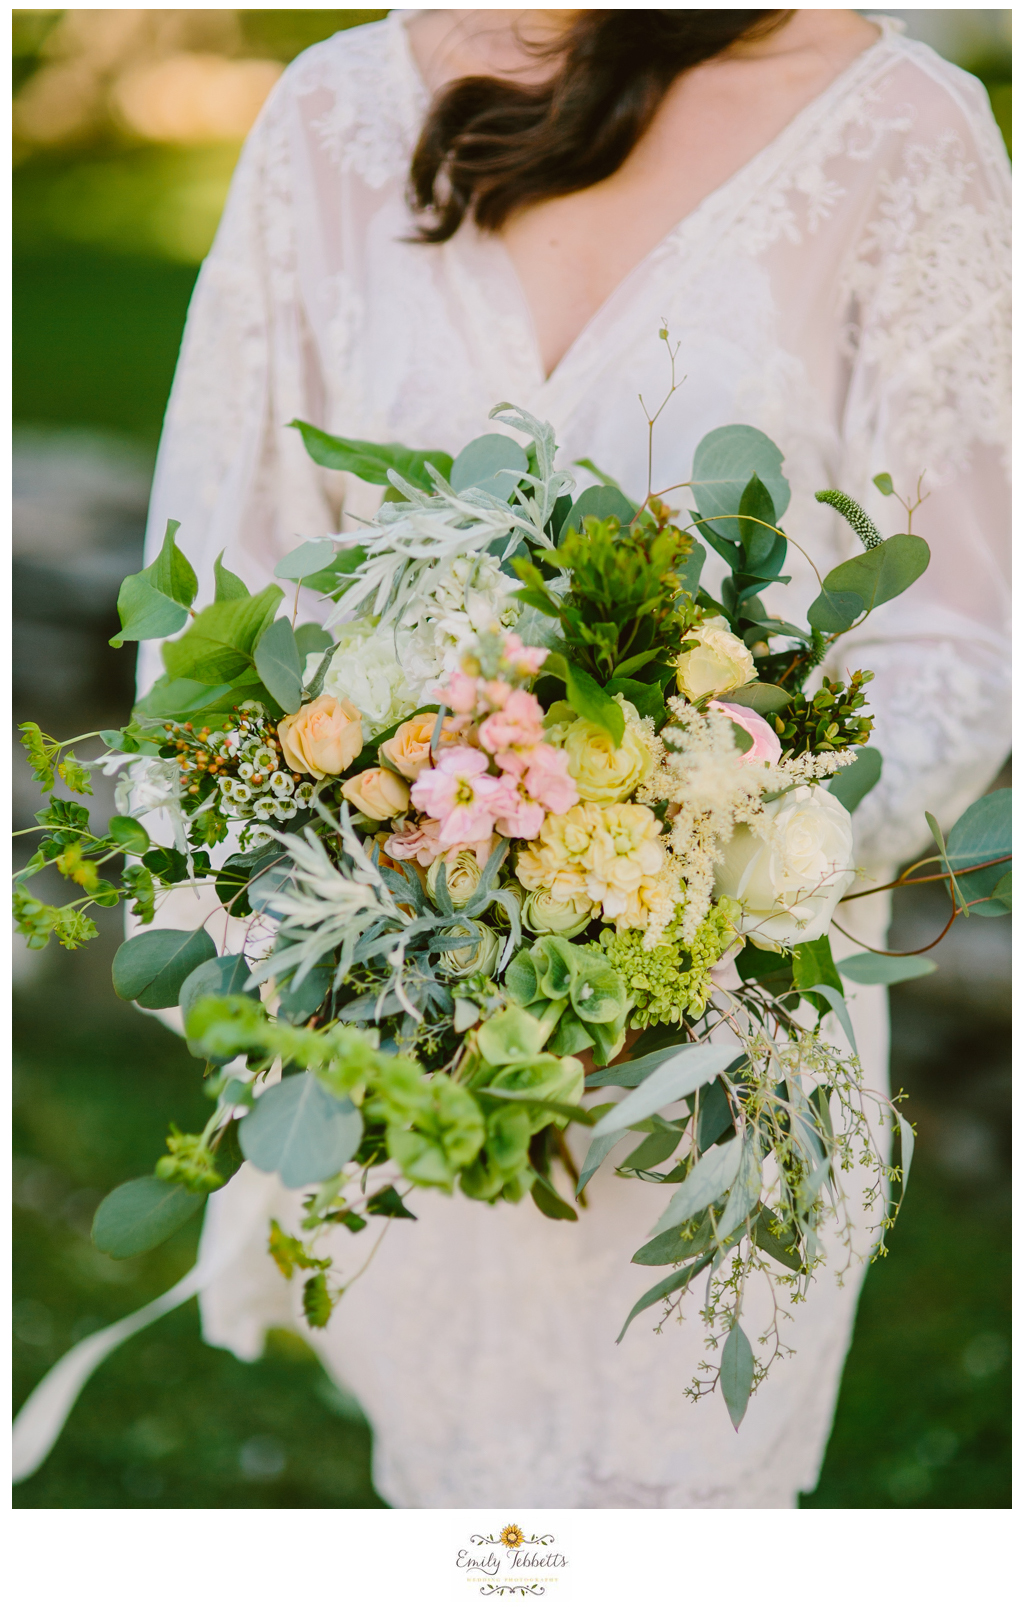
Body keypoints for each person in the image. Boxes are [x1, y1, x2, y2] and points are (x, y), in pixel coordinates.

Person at [137, 10, 1009, 1508]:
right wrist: (370, 927)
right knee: (462, 1505)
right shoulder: (331, 114)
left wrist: (702, 866)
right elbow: (226, 568)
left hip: (730, 1057)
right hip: (409, 1016)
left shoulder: (899, 127)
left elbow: (965, 619)